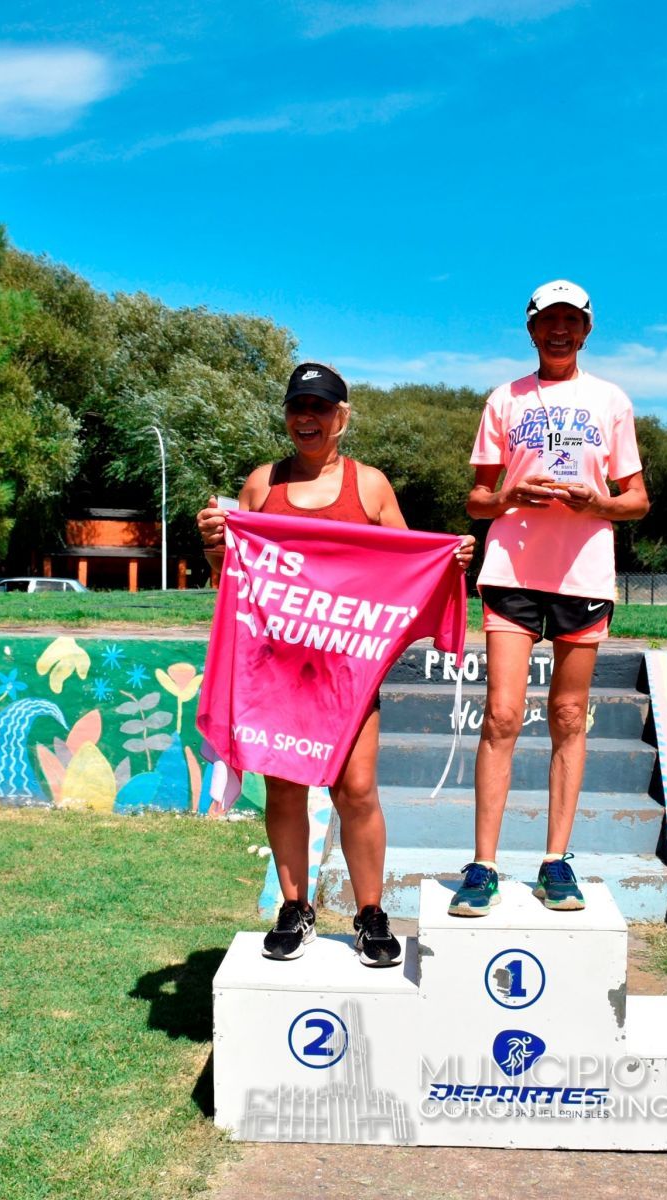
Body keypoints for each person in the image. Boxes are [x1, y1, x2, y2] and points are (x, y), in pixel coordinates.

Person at [198, 362, 474, 964]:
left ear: (341, 418)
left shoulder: (369, 486)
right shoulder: (261, 485)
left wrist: (448, 560)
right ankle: (295, 910)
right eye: (298, 406)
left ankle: (371, 915)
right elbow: (233, 578)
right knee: (284, 788)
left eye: (320, 408)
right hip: (274, 672)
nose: (307, 418)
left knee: (357, 789)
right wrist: (215, 544)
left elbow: (410, 566)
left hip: (348, 675)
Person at [449, 281, 649, 916]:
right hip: (511, 569)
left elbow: (637, 500)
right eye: (548, 320)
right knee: (501, 716)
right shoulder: (504, 399)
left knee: (567, 715)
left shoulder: (611, 400)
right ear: (531, 328)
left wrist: (599, 503)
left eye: (571, 321)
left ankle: (555, 862)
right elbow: (477, 500)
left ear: (587, 330)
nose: (559, 330)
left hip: (583, 575)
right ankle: (483, 866)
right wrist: (510, 496)